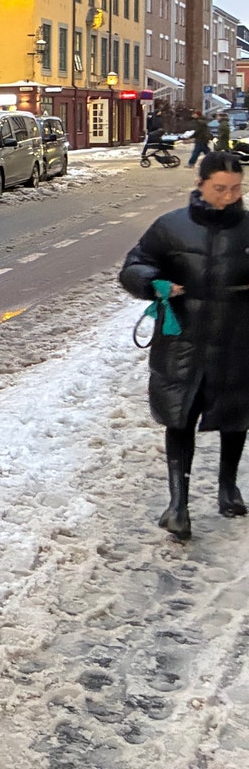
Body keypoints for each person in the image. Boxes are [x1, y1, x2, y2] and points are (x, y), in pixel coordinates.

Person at [119, 151, 249, 541]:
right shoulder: (171, 227)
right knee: (180, 417)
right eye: (218, 189)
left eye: (235, 188)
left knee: (236, 415)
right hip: (182, 340)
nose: (227, 196)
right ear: (200, 185)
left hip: (238, 338)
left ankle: (227, 486)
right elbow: (134, 265)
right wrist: (152, 283)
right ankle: (178, 504)